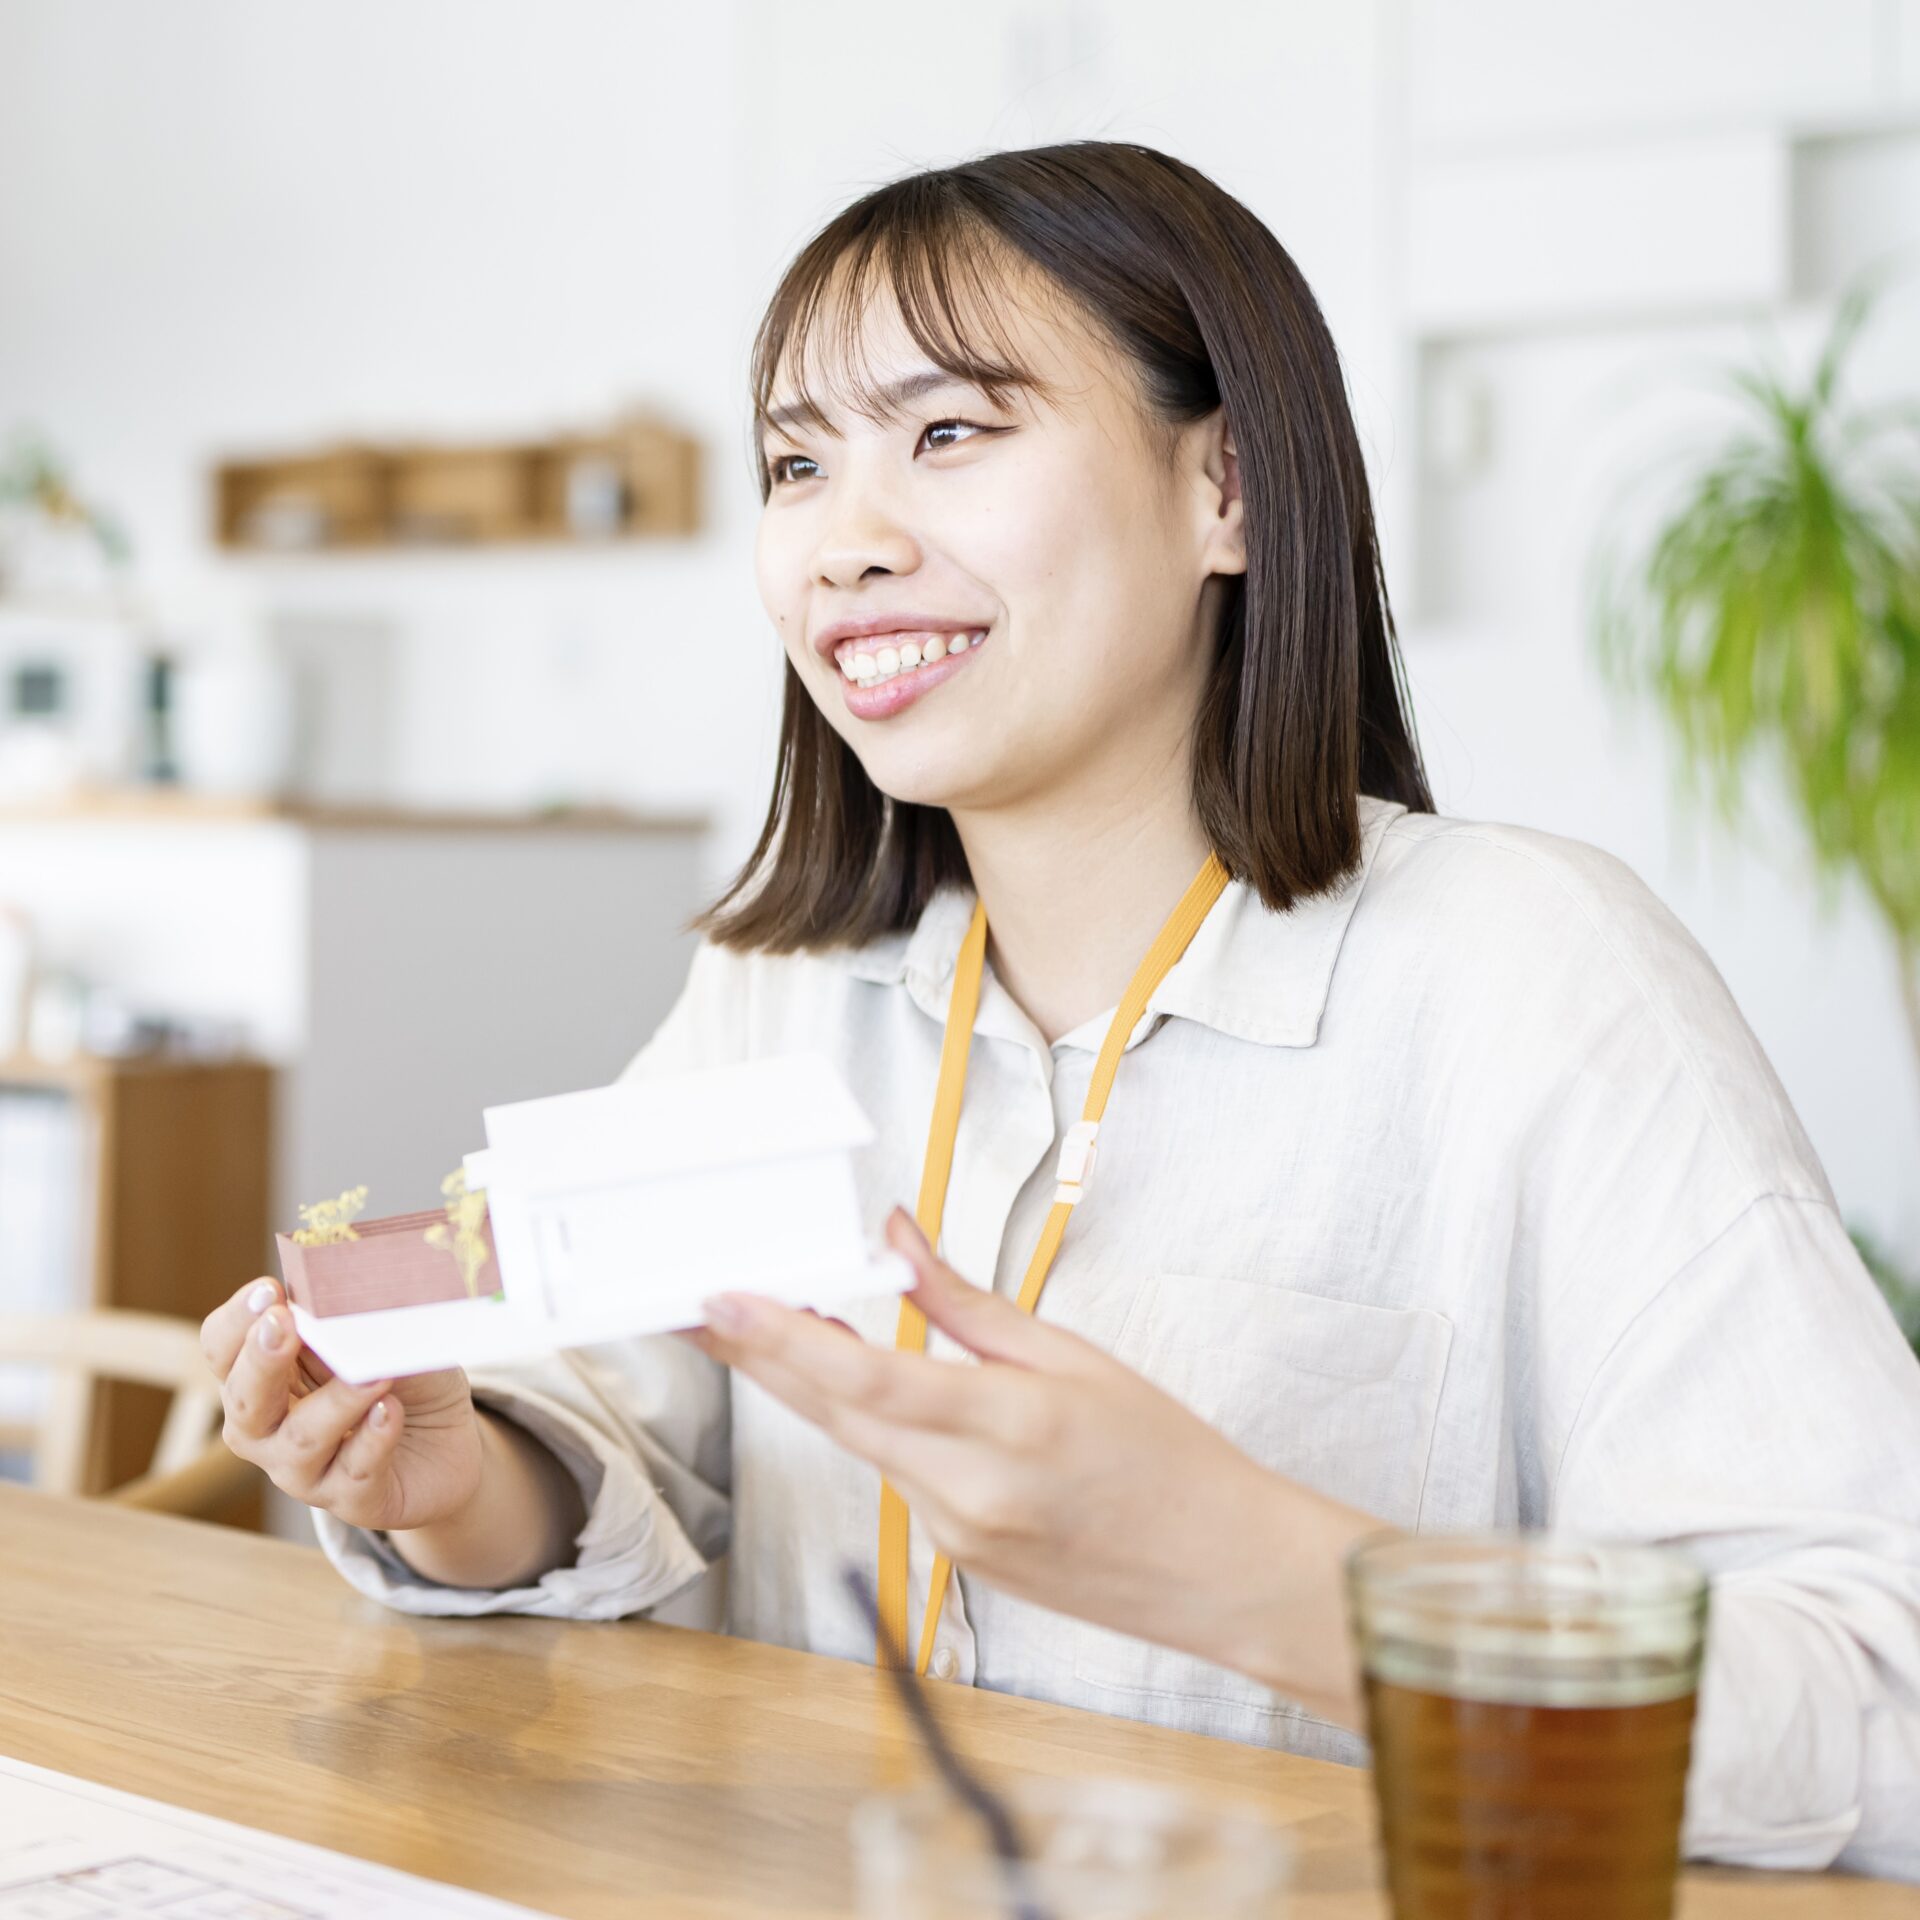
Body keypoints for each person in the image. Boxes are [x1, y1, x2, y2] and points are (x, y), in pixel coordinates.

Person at [199, 142, 1920, 1877]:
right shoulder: (780, 988)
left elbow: (1876, 1705)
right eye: (798, 464)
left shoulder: (1535, 977)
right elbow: (631, 1451)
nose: (845, 547)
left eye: (952, 433)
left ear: (1226, 488)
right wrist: (458, 1480)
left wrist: (1261, 1571)